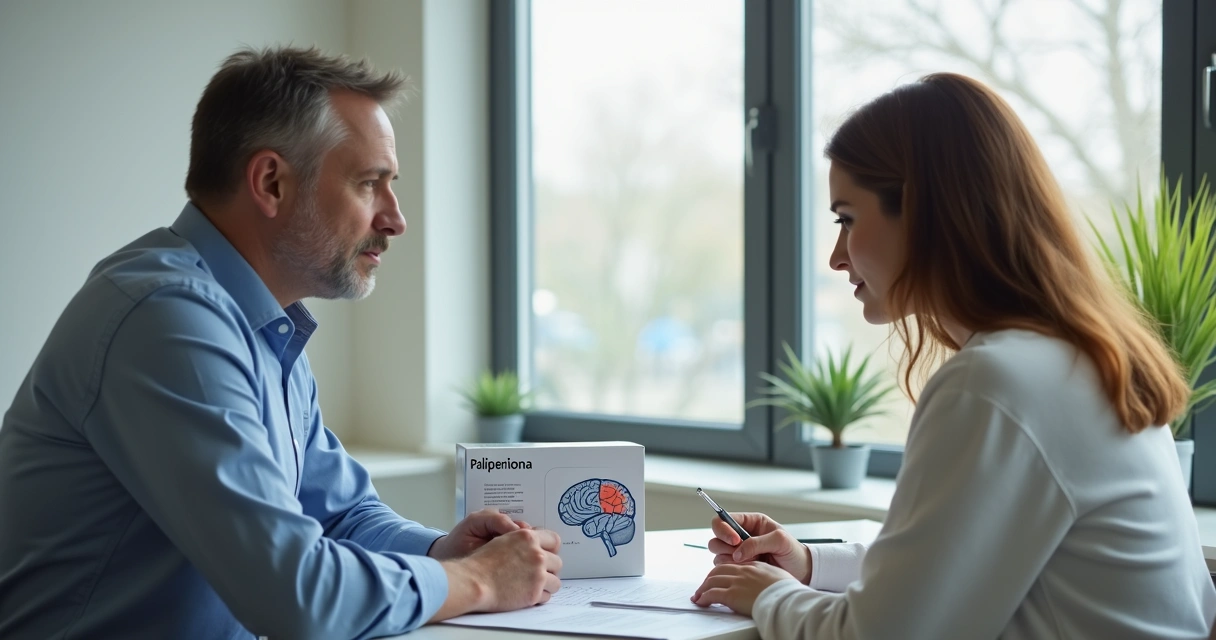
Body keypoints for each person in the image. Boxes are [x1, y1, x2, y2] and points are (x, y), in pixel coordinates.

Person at [0, 46, 561, 639]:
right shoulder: (166, 318)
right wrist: (477, 582)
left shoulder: (265, 321)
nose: (395, 219)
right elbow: (298, 595)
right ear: (270, 182)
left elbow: (341, 513)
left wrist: (444, 550)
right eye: (370, 184)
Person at [691, 73, 1216, 639]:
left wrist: (772, 598)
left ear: (922, 215)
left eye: (847, 219)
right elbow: (962, 561)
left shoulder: (996, 383)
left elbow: (884, 635)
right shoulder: (1075, 361)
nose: (836, 257)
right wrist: (812, 564)